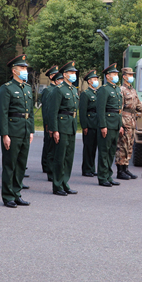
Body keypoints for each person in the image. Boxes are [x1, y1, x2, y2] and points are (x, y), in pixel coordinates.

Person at [0, 54, 34, 208]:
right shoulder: (7, 88)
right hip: (12, 131)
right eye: (22, 68)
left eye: (25, 68)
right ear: (14, 70)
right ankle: (8, 196)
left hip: (24, 130)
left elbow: (30, 112)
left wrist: (31, 130)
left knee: (21, 164)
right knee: (10, 164)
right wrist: (5, 134)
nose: (25, 70)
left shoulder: (28, 88)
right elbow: (2, 113)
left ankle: (17, 193)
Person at [117, 67, 142, 180]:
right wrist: (119, 125)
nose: (131, 77)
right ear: (124, 76)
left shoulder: (133, 90)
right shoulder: (121, 90)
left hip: (132, 120)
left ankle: (126, 169)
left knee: (130, 146)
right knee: (122, 146)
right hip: (124, 120)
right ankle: (120, 171)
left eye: (132, 75)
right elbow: (119, 109)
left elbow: (139, 106)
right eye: (129, 75)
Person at [46, 61, 80, 196]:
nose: (73, 75)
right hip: (62, 126)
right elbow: (53, 111)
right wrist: (55, 130)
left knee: (68, 157)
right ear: (64, 74)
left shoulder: (73, 89)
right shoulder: (59, 90)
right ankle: (57, 185)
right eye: (71, 72)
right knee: (60, 157)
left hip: (71, 125)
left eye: (74, 73)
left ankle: (65, 183)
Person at [95, 63, 123, 187]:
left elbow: (119, 110)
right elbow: (100, 109)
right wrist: (103, 126)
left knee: (111, 152)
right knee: (104, 152)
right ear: (108, 76)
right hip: (107, 124)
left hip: (115, 124)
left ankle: (108, 176)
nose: (116, 76)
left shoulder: (117, 89)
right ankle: (102, 177)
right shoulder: (104, 89)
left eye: (117, 74)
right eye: (114, 74)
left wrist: (120, 125)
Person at [78, 69, 100, 177]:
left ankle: (92, 168)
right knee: (88, 148)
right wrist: (84, 126)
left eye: (96, 79)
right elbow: (82, 112)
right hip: (90, 124)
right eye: (94, 79)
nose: (96, 81)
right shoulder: (85, 94)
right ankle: (86, 169)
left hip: (97, 124)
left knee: (94, 148)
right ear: (89, 81)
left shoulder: (97, 93)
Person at [40, 65, 58, 180]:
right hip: (48, 121)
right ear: (51, 77)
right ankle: (46, 165)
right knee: (48, 143)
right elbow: (46, 108)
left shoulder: (57, 89)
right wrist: (47, 123)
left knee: (52, 144)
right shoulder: (48, 90)